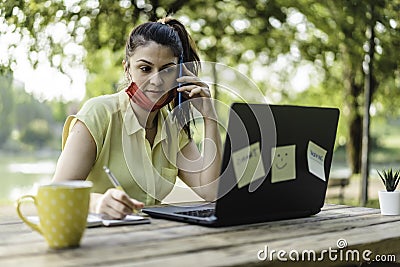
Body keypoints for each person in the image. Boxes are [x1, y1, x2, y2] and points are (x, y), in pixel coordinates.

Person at [52, 17, 222, 219]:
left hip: (150, 239)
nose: (156, 80)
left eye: (167, 70)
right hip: (96, 240)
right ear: (127, 68)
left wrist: (210, 117)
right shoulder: (98, 113)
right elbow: (57, 192)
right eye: (145, 68)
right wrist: (97, 202)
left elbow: (212, 192)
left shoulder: (173, 127)